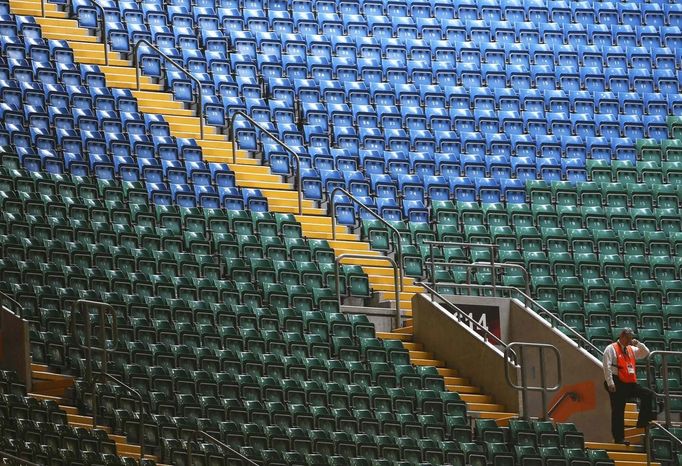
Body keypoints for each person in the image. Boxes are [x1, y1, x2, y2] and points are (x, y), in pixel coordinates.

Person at [603, 328, 656, 444]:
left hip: (629, 383)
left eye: (631, 338)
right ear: (622, 336)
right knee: (618, 410)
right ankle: (619, 438)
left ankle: (642, 421)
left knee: (648, 394)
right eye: (628, 338)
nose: (629, 340)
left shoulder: (631, 348)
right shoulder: (611, 348)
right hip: (616, 382)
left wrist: (637, 343)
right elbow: (606, 366)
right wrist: (610, 382)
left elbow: (645, 352)